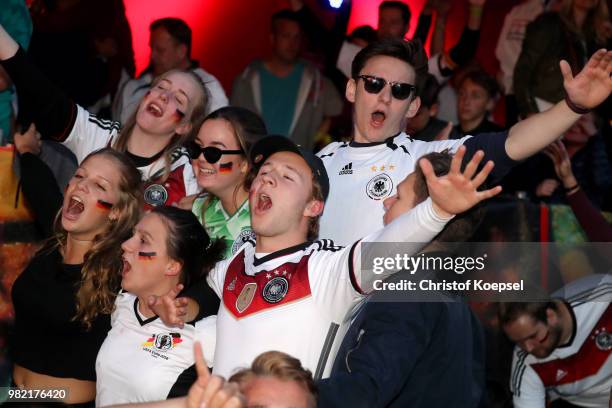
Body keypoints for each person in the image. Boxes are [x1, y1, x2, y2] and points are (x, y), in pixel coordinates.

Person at [171, 133, 500, 380]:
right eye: (263, 172)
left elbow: (387, 245)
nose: (267, 177)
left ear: (313, 207)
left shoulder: (327, 269)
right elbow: (208, 291)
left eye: (287, 176)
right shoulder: (234, 263)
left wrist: (437, 211)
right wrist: (187, 305)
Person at [316, 38, 612, 246]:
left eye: (400, 90)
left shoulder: (428, 161)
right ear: (352, 89)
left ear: (413, 107)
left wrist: (573, 107)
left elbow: (513, 143)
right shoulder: (317, 163)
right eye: (374, 83)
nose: (384, 97)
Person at [318, 151, 486, 407]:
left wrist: (295, 393)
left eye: (398, 196)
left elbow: (366, 389)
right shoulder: (454, 293)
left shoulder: (407, 292)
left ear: (425, 215)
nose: (386, 202)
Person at [0, 23, 208, 208]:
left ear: (185, 127)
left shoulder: (187, 176)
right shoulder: (101, 136)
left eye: (179, 99)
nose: (164, 96)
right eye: (162, 86)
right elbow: (42, 91)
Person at [10, 147, 142, 405]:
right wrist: (26, 150)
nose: (82, 186)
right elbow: (40, 187)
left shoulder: (121, 271)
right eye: (80, 176)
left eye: (99, 186)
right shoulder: (51, 247)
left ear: (116, 211)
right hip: (14, 393)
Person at [95, 206, 223, 406]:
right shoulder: (123, 304)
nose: (126, 245)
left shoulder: (206, 333)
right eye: (132, 235)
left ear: (172, 266)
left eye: (143, 241)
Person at [231, 10, 342, 151]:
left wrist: (318, 139)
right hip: (255, 164)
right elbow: (232, 124)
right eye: (286, 36)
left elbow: (338, 112)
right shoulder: (246, 81)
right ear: (272, 38)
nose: (292, 43)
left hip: (299, 163)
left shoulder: (315, 80)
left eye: (297, 37)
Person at [500, 273, 612, 408]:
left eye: (533, 336)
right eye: (518, 342)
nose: (528, 348)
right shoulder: (524, 360)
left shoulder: (603, 296)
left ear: (550, 316)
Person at [184, 107, 267, 259]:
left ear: (245, 163)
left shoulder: (269, 217)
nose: (201, 158)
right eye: (196, 148)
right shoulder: (195, 211)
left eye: (213, 152)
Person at [112, 18, 228, 124]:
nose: (152, 56)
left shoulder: (208, 87)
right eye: (151, 48)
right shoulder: (133, 87)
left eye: (160, 50)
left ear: (181, 51)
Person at [513, 0, 611, 118]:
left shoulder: (596, 34)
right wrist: (528, 110)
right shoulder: (549, 22)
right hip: (544, 104)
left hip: (576, 111)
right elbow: (523, 69)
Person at [450, 69, 504, 138]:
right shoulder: (447, 134)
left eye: (475, 96)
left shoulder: (497, 137)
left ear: (490, 103)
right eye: (462, 93)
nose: (466, 101)